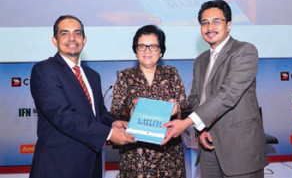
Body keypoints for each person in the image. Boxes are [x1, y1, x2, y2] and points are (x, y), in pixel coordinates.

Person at [162, 0, 268, 177]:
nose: (210, 26)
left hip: (240, 150)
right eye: (204, 23)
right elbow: (196, 98)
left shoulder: (245, 51)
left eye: (216, 21)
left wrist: (188, 123)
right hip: (208, 146)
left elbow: (228, 95)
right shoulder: (200, 60)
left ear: (228, 25)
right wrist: (201, 128)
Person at [29, 15, 135, 178]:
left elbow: (97, 113)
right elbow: (62, 116)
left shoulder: (93, 76)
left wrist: (113, 123)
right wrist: (109, 134)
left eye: (77, 33)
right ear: (54, 41)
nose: (72, 38)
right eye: (64, 33)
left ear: (84, 40)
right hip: (58, 166)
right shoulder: (44, 70)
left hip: (91, 165)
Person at [110, 25, 188, 177]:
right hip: (136, 155)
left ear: (161, 51)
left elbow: (185, 107)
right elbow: (115, 112)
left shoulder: (171, 73)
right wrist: (131, 110)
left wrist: (177, 107)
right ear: (135, 50)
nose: (147, 51)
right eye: (142, 47)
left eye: (152, 46)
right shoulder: (125, 76)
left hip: (169, 153)